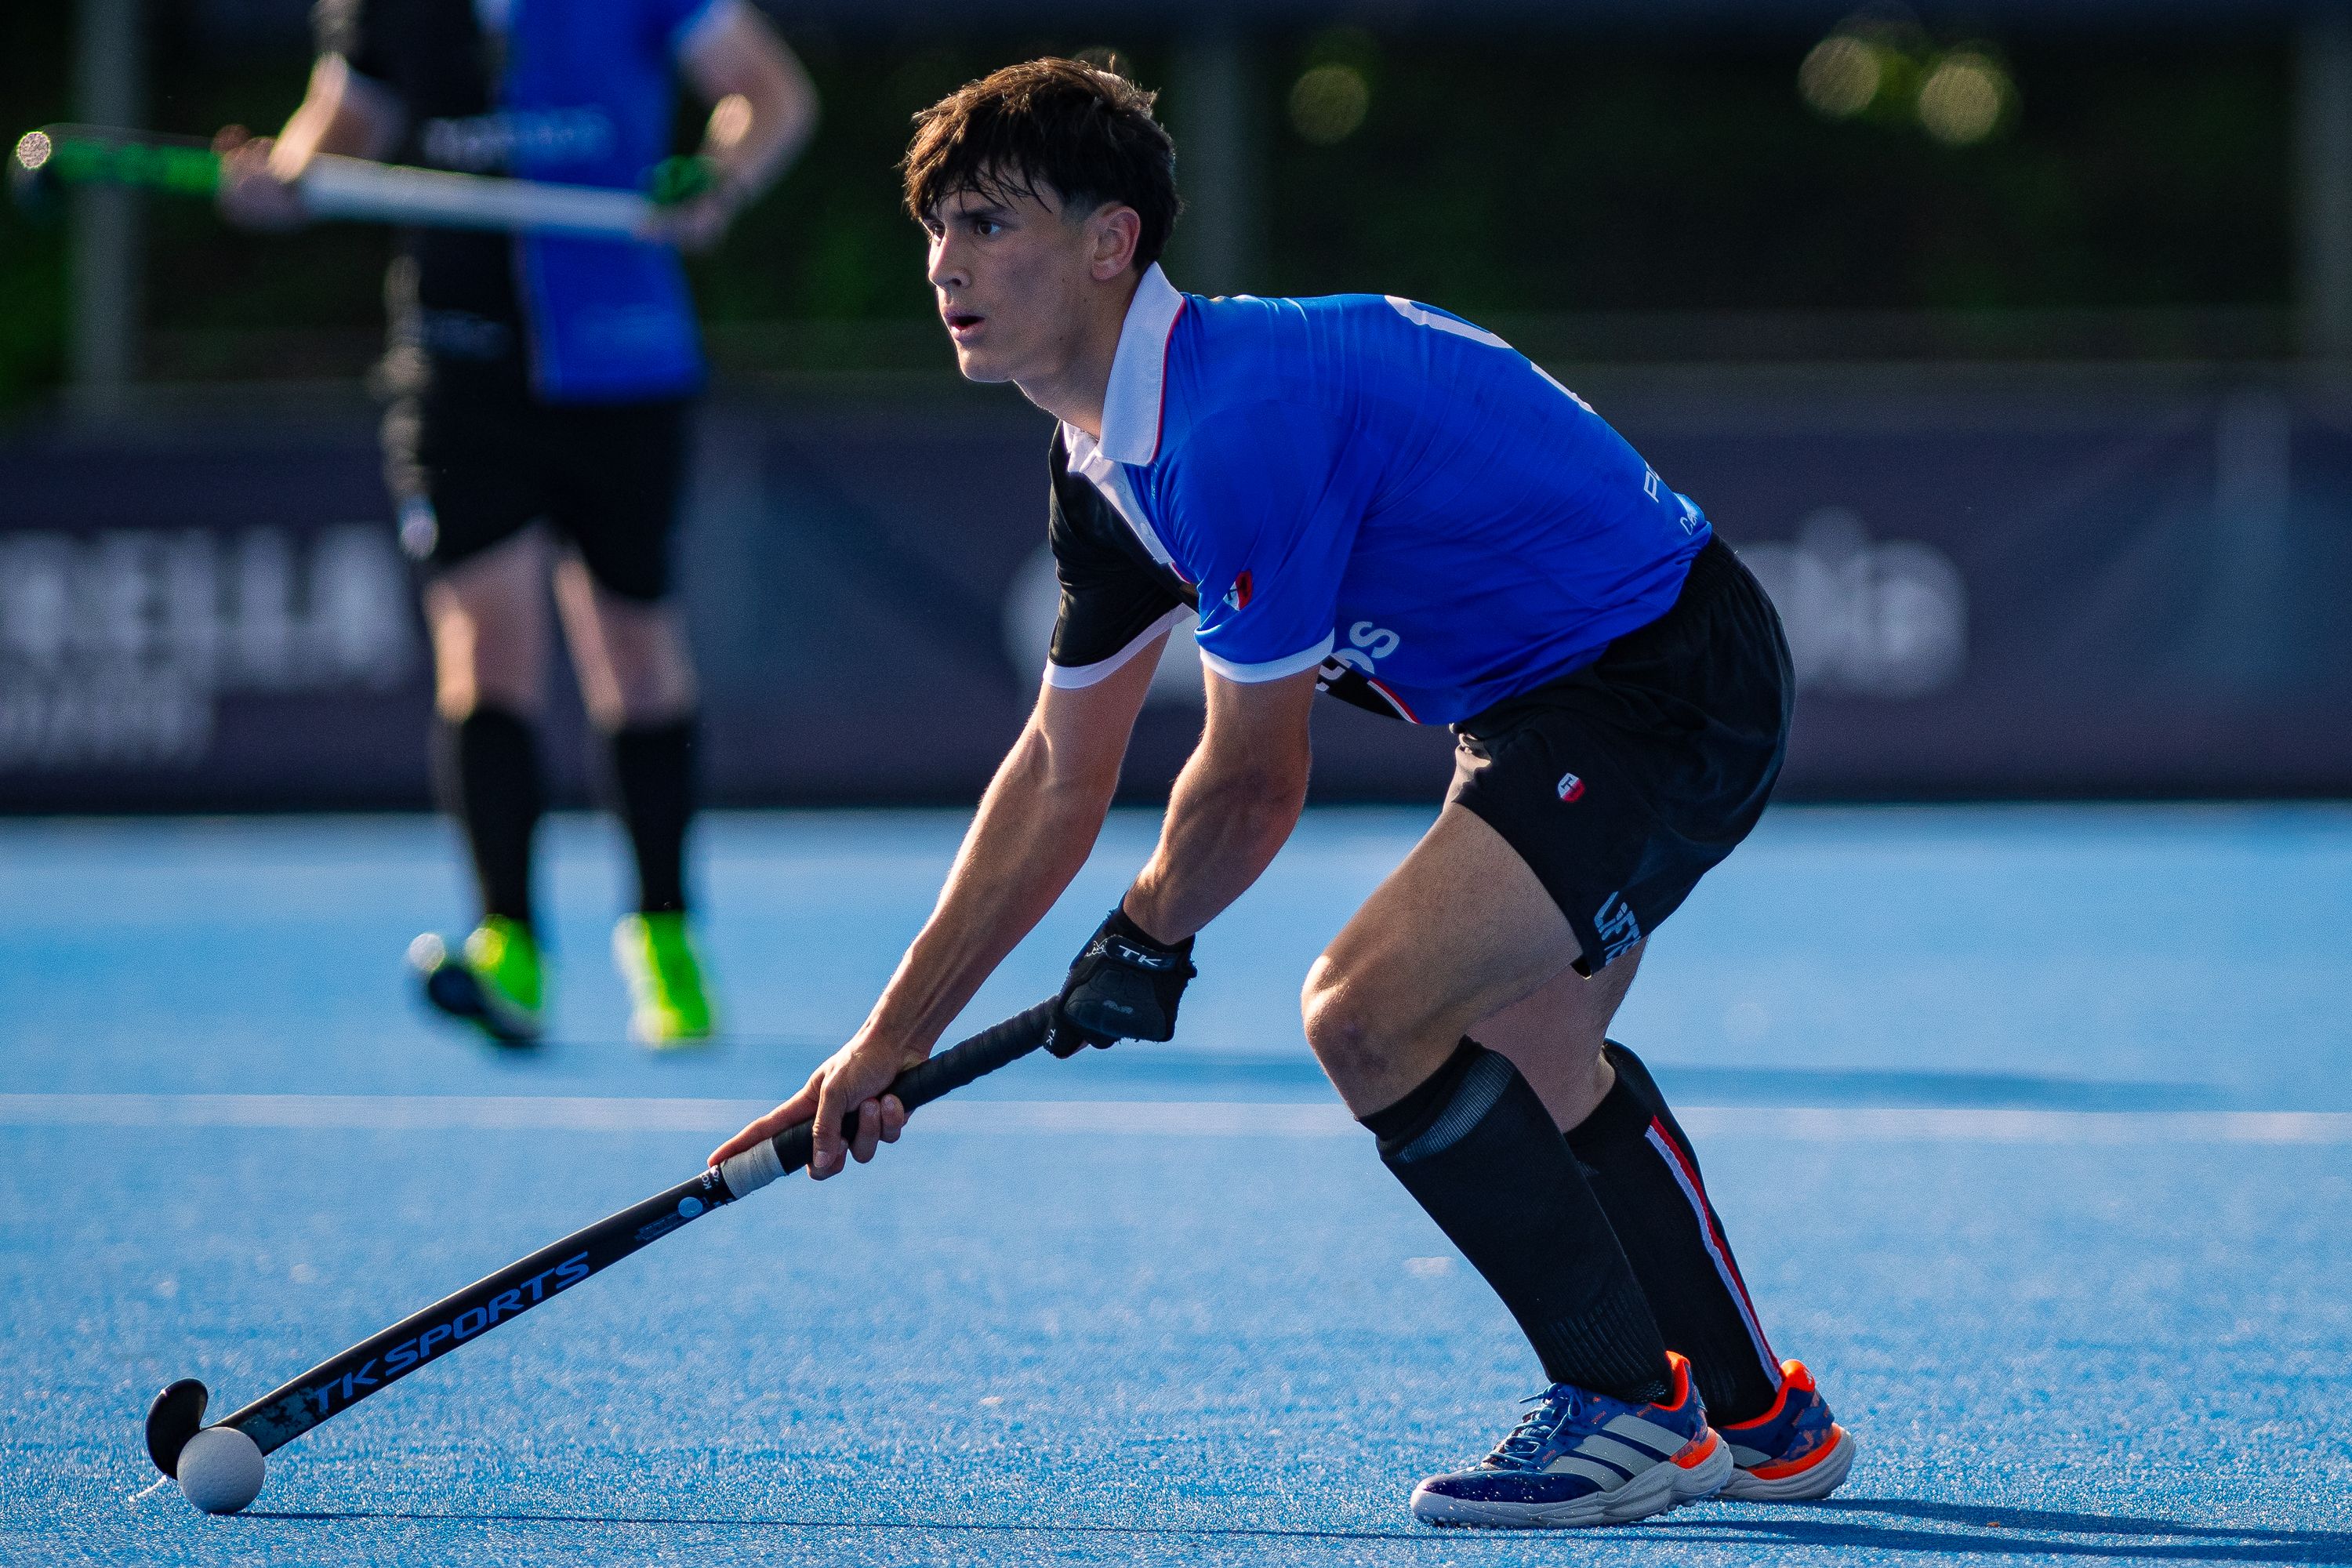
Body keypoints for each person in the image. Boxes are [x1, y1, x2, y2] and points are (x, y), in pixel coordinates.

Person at [710, 59, 1852, 1527]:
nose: (946, 263)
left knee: (1366, 1012)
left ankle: (1633, 1412)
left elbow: (1250, 785)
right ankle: (1761, 1417)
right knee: (1525, 1051)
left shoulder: (1228, 425)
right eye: (936, 227)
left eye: (991, 224)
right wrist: (883, 1045)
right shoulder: (1104, 466)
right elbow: (1059, 776)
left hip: (1656, 681)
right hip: (1552, 699)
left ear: (1112, 240)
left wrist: (1146, 933)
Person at [216, 0, 817, 1047]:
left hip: (623, 360)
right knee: (485, 647)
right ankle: (510, 948)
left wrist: (720, 178)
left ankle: (664, 942)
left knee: (632, 651)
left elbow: (769, 96)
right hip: (460, 368)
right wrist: (278, 186)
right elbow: (330, 149)